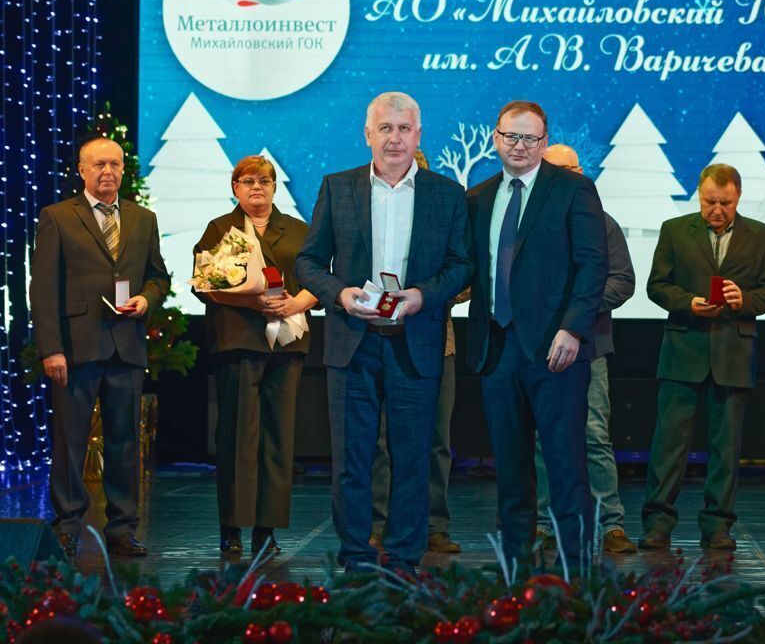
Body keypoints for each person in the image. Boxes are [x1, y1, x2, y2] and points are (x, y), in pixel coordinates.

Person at [295, 92, 471, 574]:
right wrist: (340, 293)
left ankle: (405, 559)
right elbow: (308, 262)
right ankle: (356, 557)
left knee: (413, 459)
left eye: (404, 129)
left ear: (419, 135)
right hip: (353, 341)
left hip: (416, 341)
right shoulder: (338, 187)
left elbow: (461, 265)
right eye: (386, 128)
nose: (395, 138)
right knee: (351, 459)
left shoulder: (447, 194)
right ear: (367, 134)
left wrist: (421, 296)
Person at [466, 101, 608, 569]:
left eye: (530, 138)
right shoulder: (479, 196)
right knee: (509, 469)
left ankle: (576, 572)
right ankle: (516, 570)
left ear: (544, 142)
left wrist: (572, 328)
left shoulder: (573, 189)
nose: (520, 146)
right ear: (496, 138)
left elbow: (594, 265)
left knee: (566, 467)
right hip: (495, 348)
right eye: (511, 136)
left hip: (556, 348)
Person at [30, 137, 171, 559]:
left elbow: (158, 277)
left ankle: (122, 528)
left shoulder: (143, 218)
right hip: (76, 349)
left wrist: (146, 299)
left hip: (126, 346)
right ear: (82, 170)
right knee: (70, 442)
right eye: (98, 165)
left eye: (114, 164)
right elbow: (43, 288)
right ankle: (68, 525)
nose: (107, 171)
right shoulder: (57, 216)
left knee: (125, 443)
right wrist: (51, 349)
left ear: (123, 169)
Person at [639, 164, 765, 551]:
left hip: (734, 351)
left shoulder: (763, 235)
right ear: (699, 195)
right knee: (669, 444)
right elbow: (657, 286)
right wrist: (688, 303)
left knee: (726, 447)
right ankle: (657, 523)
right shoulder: (674, 229)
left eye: (725, 203)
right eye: (709, 202)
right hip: (683, 348)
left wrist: (744, 299)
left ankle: (718, 525)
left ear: (739, 197)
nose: (716, 210)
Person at [193, 155, 318, 557]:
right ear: (235, 188)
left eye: (264, 180)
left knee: (278, 438)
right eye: (247, 181)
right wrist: (250, 301)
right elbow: (203, 285)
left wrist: (297, 303)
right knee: (237, 437)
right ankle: (230, 527)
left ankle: (267, 530)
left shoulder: (298, 230)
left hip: (287, 343)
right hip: (238, 342)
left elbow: (320, 279)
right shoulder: (221, 229)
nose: (256, 187)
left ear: (275, 186)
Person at [534, 144, 636, 554]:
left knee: (594, 436)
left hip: (589, 346)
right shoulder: (528, 224)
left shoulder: (602, 224)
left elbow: (623, 281)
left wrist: (577, 311)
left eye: (571, 169)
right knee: (542, 437)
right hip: (539, 347)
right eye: (555, 170)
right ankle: (544, 523)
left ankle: (611, 524)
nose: (565, 177)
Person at [370, 150, 463, 555]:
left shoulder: (443, 216)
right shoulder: (375, 215)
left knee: (436, 438)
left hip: (436, 345)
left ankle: (434, 524)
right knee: (380, 439)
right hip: (378, 340)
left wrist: (429, 292)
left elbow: (465, 276)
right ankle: (379, 523)